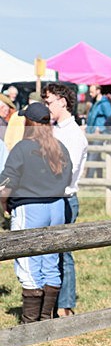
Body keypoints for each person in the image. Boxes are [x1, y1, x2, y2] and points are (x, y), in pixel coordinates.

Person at [0, 102, 72, 322]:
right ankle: (46, 316)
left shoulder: (22, 148)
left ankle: (30, 322)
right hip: (57, 206)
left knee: (28, 260)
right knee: (51, 260)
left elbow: (7, 181)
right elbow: (68, 177)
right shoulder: (60, 146)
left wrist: (3, 203)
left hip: (30, 206)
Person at [42, 83, 88, 316]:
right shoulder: (53, 129)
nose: (46, 106)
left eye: (49, 102)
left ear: (62, 101)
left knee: (63, 252)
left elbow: (66, 171)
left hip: (64, 197)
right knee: (49, 251)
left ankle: (65, 304)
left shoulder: (73, 135)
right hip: (49, 197)